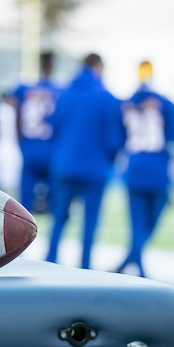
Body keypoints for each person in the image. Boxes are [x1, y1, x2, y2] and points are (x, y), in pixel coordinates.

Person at [45, 53, 124, 269]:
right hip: (95, 170)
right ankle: (84, 268)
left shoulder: (63, 94)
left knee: (58, 219)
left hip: (64, 166)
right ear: (99, 66)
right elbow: (113, 140)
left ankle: (49, 263)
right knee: (89, 224)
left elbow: (54, 129)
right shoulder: (107, 97)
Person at [115, 61, 174, 277]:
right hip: (157, 169)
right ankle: (140, 270)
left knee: (138, 225)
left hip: (134, 167)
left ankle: (128, 262)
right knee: (149, 223)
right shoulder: (164, 102)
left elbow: (117, 138)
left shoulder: (126, 102)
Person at [12, 51, 62, 212]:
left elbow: (17, 119)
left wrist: (21, 143)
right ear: (52, 66)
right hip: (51, 150)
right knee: (55, 205)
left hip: (30, 147)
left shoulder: (24, 89)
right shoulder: (60, 90)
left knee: (23, 208)